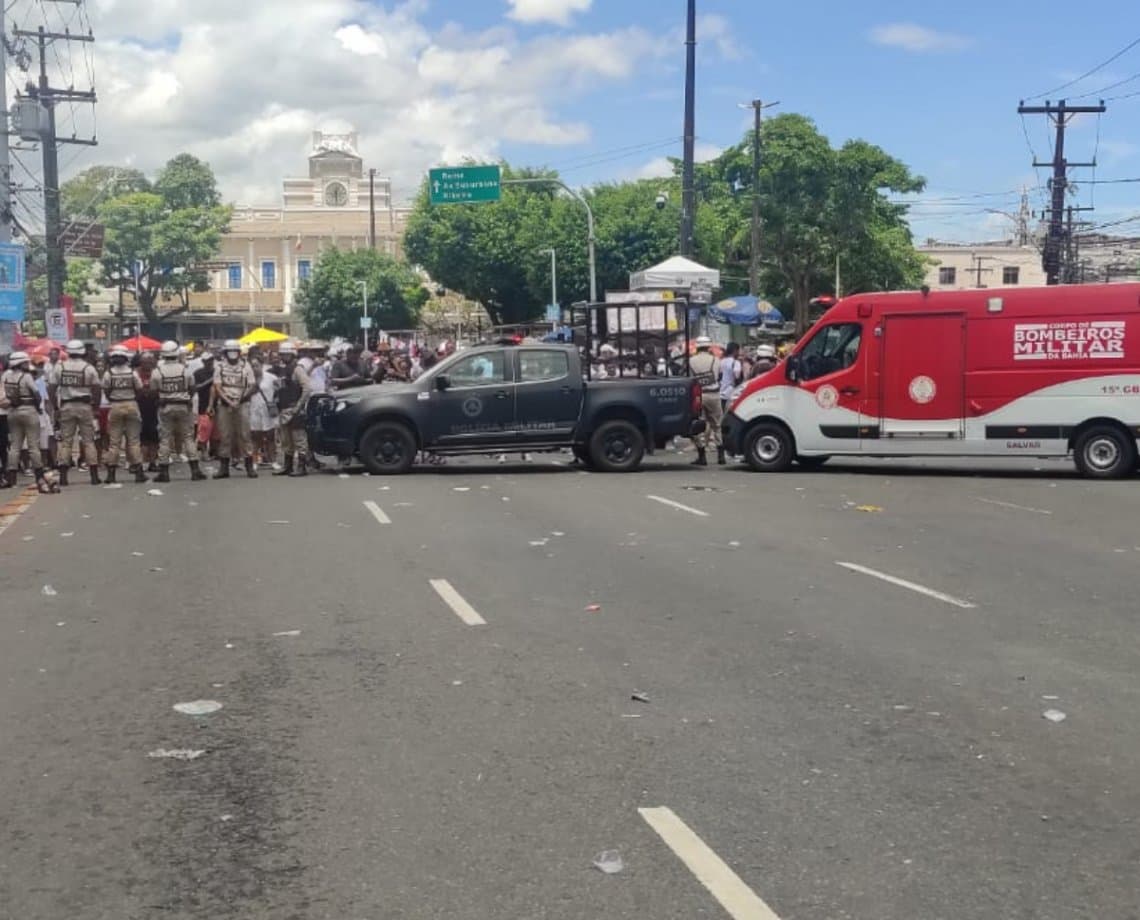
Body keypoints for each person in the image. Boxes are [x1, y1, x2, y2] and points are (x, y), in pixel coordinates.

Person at [151, 341, 206, 483]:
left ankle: (164, 472)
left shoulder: (157, 372)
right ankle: (195, 470)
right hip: (183, 407)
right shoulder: (185, 370)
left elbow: (153, 392)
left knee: (165, 438)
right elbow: (193, 388)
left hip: (165, 407)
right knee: (188, 437)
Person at [1, 351, 52, 492]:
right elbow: (37, 394)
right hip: (28, 410)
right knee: (33, 446)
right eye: (25, 362)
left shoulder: (5, 375)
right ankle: (39, 476)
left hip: (12, 411)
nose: (27, 365)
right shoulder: (27, 376)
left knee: (15, 446)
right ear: (20, 363)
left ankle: (11, 478)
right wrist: (38, 408)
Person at [55, 338, 102, 485]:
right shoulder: (88, 368)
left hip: (66, 406)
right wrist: (96, 407)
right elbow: (96, 388)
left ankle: (63, 477)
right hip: (85, 406)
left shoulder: (60, 367)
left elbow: (51, 387)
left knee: (66, 442)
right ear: (82, 352)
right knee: (89, 441)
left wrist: (56, 407)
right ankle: (94, 476)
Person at [210, 339, 258, 479]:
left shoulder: (245, 366)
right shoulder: (220, 366)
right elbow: (217, 386)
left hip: (242, 404)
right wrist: (229, 401)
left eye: (235, 352)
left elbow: (252, 385)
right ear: (225, 353)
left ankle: (249, 465)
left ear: (238, 353)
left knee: (245, 435)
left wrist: (241, 399)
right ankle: (224, 467)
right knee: (225, 436)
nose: (233, 355)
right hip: (225, 405)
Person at [102, 345, 148, 483]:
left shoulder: (108, 373)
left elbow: (106, 391)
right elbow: (139, 389)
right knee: (134, 441)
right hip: (131, 404)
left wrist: (114, 398)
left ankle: (111, 475)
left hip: (115, 405)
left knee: (114, 442)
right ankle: (139, 472)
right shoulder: (132, 373)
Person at [274, 341, 312, 477]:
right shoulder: (283, 369)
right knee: (286, 440)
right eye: (282, 354)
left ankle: (302, 467)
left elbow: (307, 388)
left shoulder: (298, 369)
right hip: (284, 409)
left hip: (295, 409)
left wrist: (299, 405)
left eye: (286, 354)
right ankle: (288, 466)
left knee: (299, 439)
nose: (283, 357)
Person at [689, 336, 724, 467]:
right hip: (714, 394)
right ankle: (721, 455)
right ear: (709, 347)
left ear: (697, 347)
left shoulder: (691, 361)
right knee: (717, 425)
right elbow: (720, 376)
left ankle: (702, 455)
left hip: (699, 396)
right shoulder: (716, 360)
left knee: (698, 426)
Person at [249, 359, 278, 468]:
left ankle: (273, 461)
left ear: (261, 365)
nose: (255, 368)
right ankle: (255, 461)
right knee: (255, 437)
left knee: (270, 437)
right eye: (252, 366)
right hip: (254, 410)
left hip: (267, 410)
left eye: (256, 365)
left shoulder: (271, 377)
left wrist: (274, 403)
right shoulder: (249, 379)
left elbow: (279, 390)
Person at [135, 351, 161, 472]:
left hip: (155, 407)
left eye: (150, 362)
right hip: (139, 407)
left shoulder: (157, 373)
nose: (148, 364)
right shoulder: (135, 373)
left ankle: (153, 461)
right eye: (146, 362)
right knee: (142, 437)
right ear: (141, 362)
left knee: (154, 436)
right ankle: (144, 461)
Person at [193, 350, 216, 458]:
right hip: (203, 404)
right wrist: (210, 381)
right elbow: (196, 387)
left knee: (217, 430)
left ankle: (214, 451)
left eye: (211, 360)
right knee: (204, 429)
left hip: (218, 403)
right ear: (203, 361)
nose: (209, 362)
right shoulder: (198, 373)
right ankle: (203, 451)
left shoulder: (217, 371)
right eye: (207, 361)